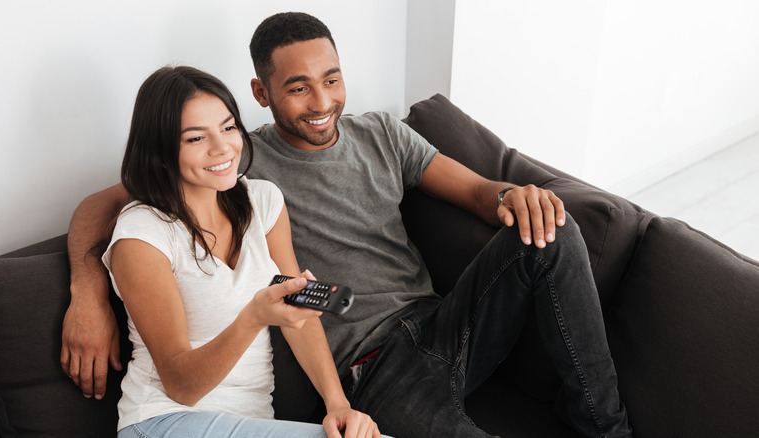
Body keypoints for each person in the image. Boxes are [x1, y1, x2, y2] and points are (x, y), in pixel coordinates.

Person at [62, 12, 632, 438]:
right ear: (262, 94)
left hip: (443, 323)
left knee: (555, 231)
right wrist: (87, 291)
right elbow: (104, 206)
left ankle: (606, 428)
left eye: (330, 79)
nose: (321, 101)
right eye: (297, 86)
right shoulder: (239, 162)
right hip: (376, 367)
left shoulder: (381, 135)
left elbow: (481, 193)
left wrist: (518, 196)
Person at [93, 65, 382, 437]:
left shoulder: (263, 202)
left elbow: (300, 314)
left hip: (253, 422)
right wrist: (253, 317)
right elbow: (182, 386)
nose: (222, 147)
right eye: (196, 138)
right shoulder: (142, 235)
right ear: (161, 150)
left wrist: (338, 404)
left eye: (228, 127)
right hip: (165, 419)